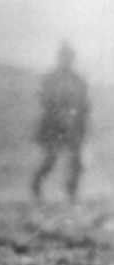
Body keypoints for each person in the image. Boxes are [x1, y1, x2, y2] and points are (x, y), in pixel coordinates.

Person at [32, 43, 91, 201]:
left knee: (76, 160)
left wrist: (79, 122)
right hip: (53, 126)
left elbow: (85, 105)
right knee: (51, 158)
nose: (67, 60)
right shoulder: (50, 79)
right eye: (64, 57)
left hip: (73, 126)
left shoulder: (79, 80)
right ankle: (36, 186)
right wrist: (59, 114)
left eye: (69, 57)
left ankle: (72, 192)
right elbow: (45, 101)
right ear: (59, 58)